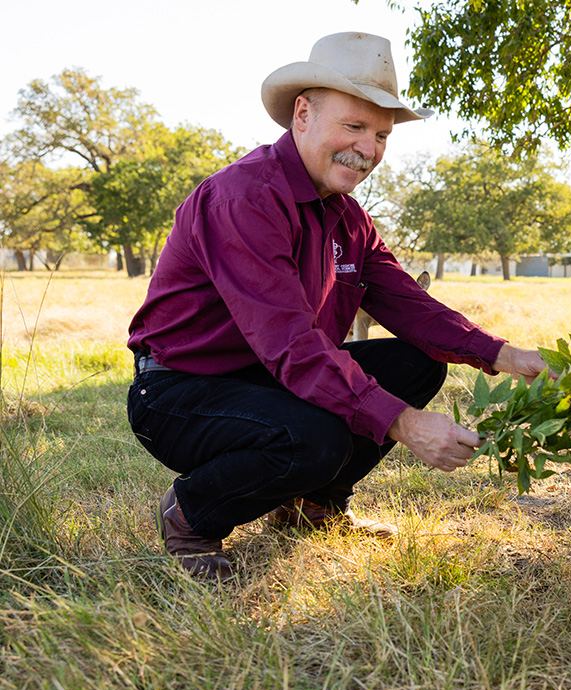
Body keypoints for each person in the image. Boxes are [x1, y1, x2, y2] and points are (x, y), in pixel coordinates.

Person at [126, 32, 546, 580]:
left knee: (415, 363)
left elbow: (408, 303)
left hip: (269, 381)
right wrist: (406, 424)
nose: (368, 150)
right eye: (353, 127)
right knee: (315, 439)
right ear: (303, 113)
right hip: (182, 393)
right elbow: (292, 347)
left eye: (381, 135)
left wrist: (505, 355)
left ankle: (312, 507)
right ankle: (192, 515)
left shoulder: (348, 217)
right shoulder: (244, 199)